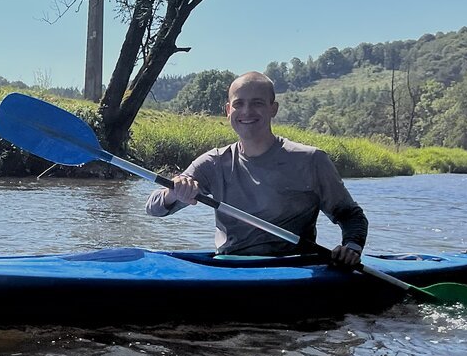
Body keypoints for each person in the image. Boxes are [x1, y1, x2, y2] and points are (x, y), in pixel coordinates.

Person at [145, 71, 367, 266]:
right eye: (239, 104)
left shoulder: (311, 159)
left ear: (273, 109)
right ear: (228, 110)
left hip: (293, 267)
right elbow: (153, 208)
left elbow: (351, 215)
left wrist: (352, 247)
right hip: (231, 266)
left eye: (257, 103)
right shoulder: (213, 162)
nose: (247, 111)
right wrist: (174, 193)